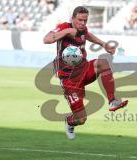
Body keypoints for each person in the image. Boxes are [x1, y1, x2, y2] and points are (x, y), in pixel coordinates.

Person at [43, 6, 128, 139]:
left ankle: (112, 101)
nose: (82, 23)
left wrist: (103, 44)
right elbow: (46, 40)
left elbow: (87, 35)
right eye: (80, 20)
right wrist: (66, 32)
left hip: (83, 69)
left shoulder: (83, 29)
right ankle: (70, 121)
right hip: (69, 79)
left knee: (103, 62)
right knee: (81, 119)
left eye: (85, 20)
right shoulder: (64, 27)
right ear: (73, 18)